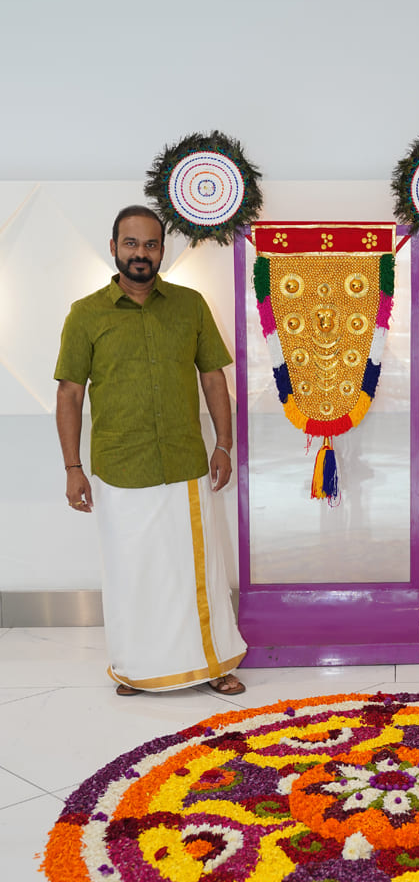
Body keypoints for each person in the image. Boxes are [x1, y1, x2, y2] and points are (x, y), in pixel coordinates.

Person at [54, 205, 247, 696]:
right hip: (121, 468)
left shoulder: (190, 305)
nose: (141, 253)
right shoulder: (85, 314)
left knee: (197, 571)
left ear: (163, 250)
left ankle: (213, 664)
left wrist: (224, 444)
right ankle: (137, 669)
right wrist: (73, 467)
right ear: (114, 247)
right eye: (131, 243)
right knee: (132, 574)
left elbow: (213, 378)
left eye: (151, 244)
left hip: (184, 463)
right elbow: (70, 393)